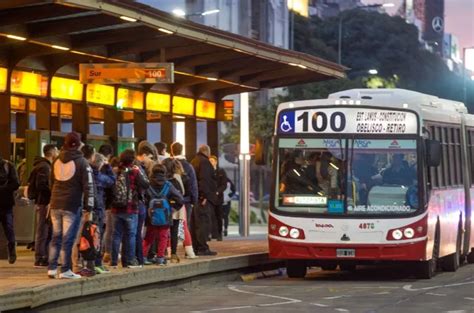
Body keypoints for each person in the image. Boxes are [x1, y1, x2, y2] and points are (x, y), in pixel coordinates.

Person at [48, 132, 94, 279]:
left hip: (55, 203)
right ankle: (66, 269)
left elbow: (51, 182)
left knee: (56, 237)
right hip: (72, 204)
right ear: (78, 144)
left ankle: (52, 268)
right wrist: (89, 206)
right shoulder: (82, 162)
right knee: (68, 238)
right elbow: (89, 186)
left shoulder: (56, 160)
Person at [110, 149, 149, 269]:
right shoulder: (134, 171)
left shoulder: (116, 170)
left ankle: (114, 261)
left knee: (116, 235)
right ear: (132, 160)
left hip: (116, 208)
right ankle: (130, 261)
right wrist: (139, 171)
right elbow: (145, 184)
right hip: (131, 208)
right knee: (131, 235)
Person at [142, 164, 183, 266]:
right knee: (163, 237)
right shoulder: (168, 185)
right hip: (165, 216)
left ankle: (143, 256)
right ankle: (160, 258)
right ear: (164, 173)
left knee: (148, 237)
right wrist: (172, 209)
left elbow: (143, 198)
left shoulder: (148, 185)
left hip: (151, 216)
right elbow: (180, 199)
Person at [30, 144, 58, 267]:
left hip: (43, 202)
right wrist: (52, 193)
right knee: (43, 229)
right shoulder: (45, 167)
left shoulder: (44, 166)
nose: (57, 152)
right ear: (51, 152)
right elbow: (42, 185)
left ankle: (43, 255)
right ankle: (40, 256)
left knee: (45, 229)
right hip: (44, 202)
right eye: (56, 150)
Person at [170, 141, 198, 256]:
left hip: (170, 201)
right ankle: (188, 251)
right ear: (182, 150)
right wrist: (193, 200)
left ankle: (171, 250)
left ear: (172, 151)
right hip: (185, 200)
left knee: (171, 226)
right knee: (185, 224)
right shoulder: (188, 166)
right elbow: (193, 185)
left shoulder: (168, 163)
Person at [190, 145, 218, 256]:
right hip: (202, 199)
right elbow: (204, 180)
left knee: (196, 224)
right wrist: (204, 196)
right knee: (203, 223)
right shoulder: (205, 162)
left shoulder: (193, 161)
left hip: (195, 197)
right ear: (206, 152)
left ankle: (196, 247)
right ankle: (203, 248)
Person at [91, 153, 115, 274]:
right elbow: (112, 180)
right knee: (97, 236)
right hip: (98, 208)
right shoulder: (100, 176)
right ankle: (97, 263)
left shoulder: (87, 174)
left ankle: (87, 263)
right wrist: (108, 166)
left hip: (86, 208)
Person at [134, 141, 156, 266]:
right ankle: (140, 256)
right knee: (137, 232)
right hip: (140, 204)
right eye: (150, 157)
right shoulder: (140, 168)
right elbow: (145, 186)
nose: (151, 160)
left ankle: (140, 255)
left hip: (140, 203)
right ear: (144, 155)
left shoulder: (138, 166)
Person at [0, 155, 20, 264]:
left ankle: (12, 250)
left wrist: (3, 189)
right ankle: (11, 250)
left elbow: (16, 183)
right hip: (6, 202)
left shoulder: (8, 166)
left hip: (6, 203)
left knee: (9, 228)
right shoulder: (9, 165)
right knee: (9, 228)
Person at [209, 155, 227, 241]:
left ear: (216, 162)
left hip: (219, 198)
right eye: (210, 161)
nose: (211, 162)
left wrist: (217, 191)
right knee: (210, 216)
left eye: (212, 161)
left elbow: (224, 184)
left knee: (219, 216)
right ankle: (210, 234)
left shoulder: (221, 171)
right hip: (210, 197)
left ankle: (219, 234)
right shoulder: (207, 172)